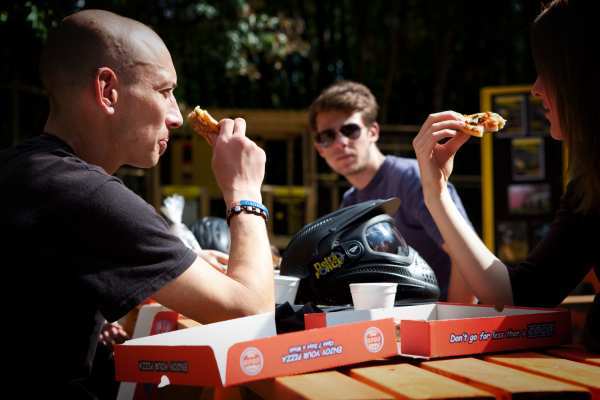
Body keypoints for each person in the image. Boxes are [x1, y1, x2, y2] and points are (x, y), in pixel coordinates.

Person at [0, 9, 274, 396]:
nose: (177, 117)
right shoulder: (85, 194)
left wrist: (165, 272)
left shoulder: (25, 169)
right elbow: (251, 315)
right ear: (108, 90)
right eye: (164, 91)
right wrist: (244, 190)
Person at [411, 0, 598, 350]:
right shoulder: (590, 186)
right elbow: (518, 295)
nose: (536, 87)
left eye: (548, 70)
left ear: (583, 76)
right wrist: (436, 192)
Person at [308, 81, 475, 302]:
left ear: (373, 132)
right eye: (327, 136)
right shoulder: (350, 202)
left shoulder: (413, 179)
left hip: (438, 319)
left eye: (350, 130)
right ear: (320, 148)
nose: (341, 142)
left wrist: (450, 327)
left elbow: (467, 260)